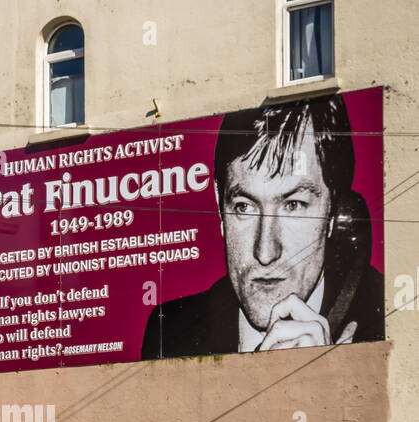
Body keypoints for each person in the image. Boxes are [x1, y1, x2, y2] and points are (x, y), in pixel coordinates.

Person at [141, 95, 384, 359]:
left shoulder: (384, 318)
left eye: (294, 205)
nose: (265, 252)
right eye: (245, 206)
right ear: (219, 202)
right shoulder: (170, 329)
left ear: (333, 211)